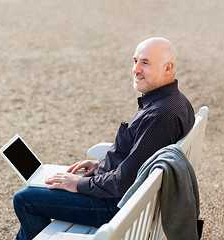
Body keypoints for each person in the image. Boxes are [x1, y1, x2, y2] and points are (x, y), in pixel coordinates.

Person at [12, 37, 195, 240]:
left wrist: (77, 184)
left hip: (114, 206)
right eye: (135, 61)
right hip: (122, 196)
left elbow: (122, 183)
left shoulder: (160, 116)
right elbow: (137, 158)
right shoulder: (176, 101)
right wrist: (99, 166)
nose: (136, 69)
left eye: (145, 62)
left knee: (24, 199)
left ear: (168, 68)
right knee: (45, 186)